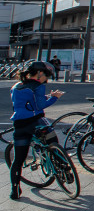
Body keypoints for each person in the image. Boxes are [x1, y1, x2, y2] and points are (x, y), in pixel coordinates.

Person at [9, 61, 64, 200]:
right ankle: (63, 168)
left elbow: (26, 102)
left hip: (19, 125)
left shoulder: (16, 86)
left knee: (18, 160)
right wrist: (54, 98)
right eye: (46, 75)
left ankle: (14, 190)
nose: (47, 78)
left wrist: (46, 96)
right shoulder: (38, 86)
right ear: (40, 73)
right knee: (53, 142)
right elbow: (39, 106)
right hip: (36, 122)